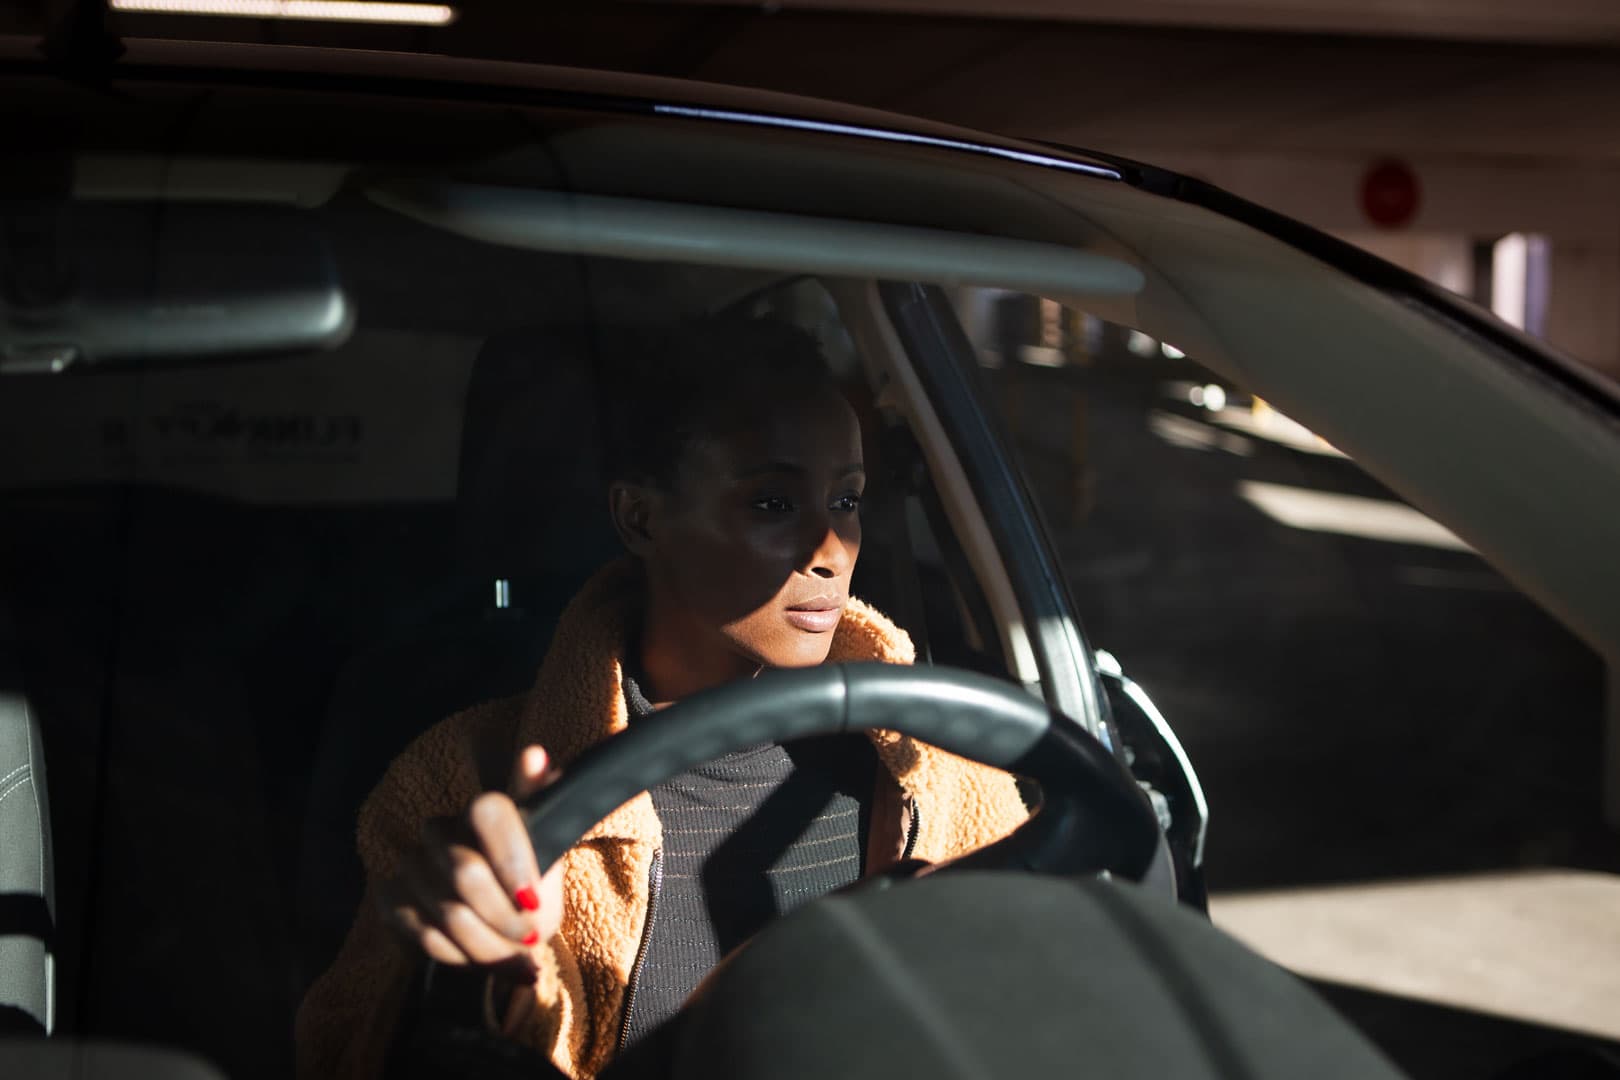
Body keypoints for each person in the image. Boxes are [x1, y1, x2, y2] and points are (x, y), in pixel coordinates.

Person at [294, 316, 1030, 1079]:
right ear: (640, 518)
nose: (830, 551)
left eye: (846, 502)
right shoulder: (467, 778)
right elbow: (345, 1052)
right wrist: (473, 979)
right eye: (773, 504)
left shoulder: (935, 766)